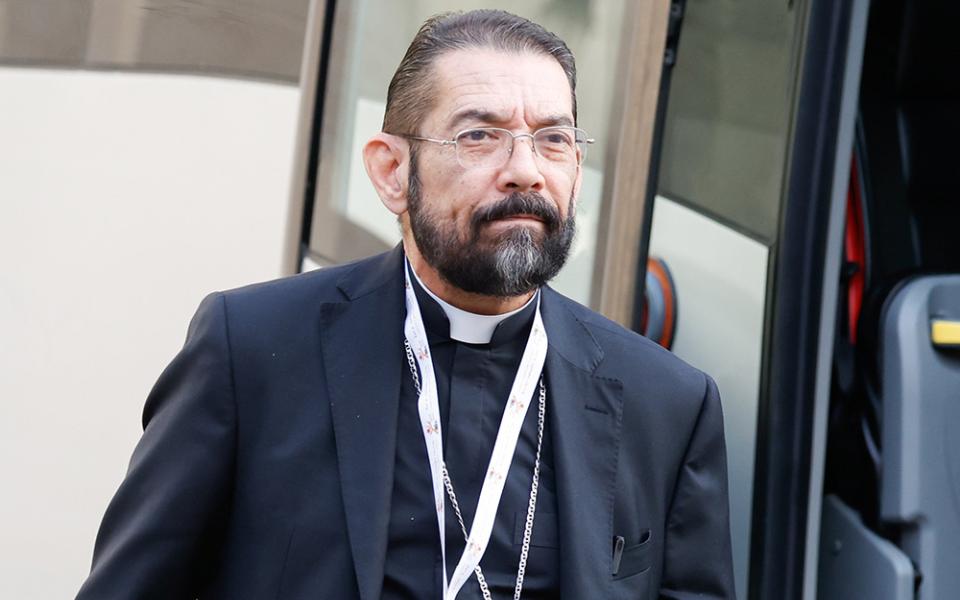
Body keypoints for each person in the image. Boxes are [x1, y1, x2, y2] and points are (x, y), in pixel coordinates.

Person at [77, 9, 735, 600]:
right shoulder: (250, 350)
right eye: (480, 136)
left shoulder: (667, 404)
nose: (526, 169)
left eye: (554, 140)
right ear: (392, 171)